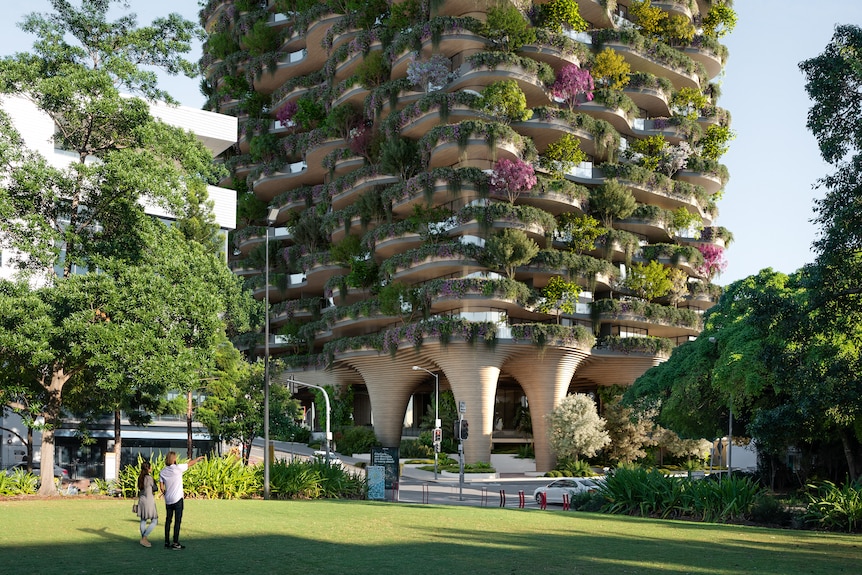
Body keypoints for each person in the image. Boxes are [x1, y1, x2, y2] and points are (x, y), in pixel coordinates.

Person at [159, 451, 204, 550]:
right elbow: (190, 464)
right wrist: (198, 459)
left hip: (168, 500)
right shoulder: (178, 468)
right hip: (178, 499)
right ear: (174, 459)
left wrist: (166, 493)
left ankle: (167, 542)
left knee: (168, 520)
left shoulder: (162, 472)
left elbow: (162, 488)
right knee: (177, 521)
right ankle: (175, 542)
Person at [136, 461, 158, 548]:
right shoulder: (149, 478)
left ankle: (143, 539)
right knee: (154, 520)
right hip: (149, 501)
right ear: (148, 468)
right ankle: (144, 537)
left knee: (143, 520)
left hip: (142, 500)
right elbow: (155, 488)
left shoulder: (140, 478)